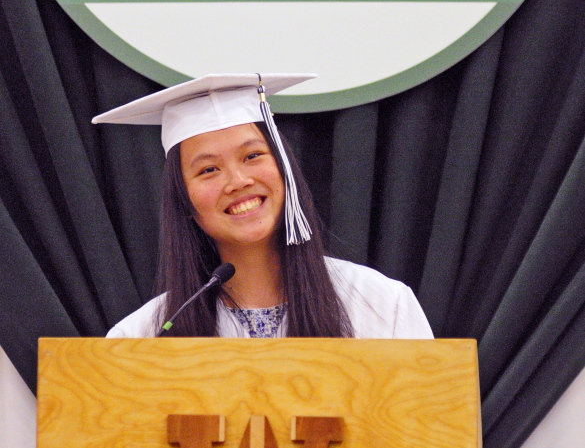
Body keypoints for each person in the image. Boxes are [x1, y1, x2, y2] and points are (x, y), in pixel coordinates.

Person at [92, 73, 433, 341]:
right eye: (209, 169)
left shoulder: (383, 306)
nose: (238, 180)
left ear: (284, 169)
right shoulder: (143, 337)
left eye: (253, 156)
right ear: (184, 201)